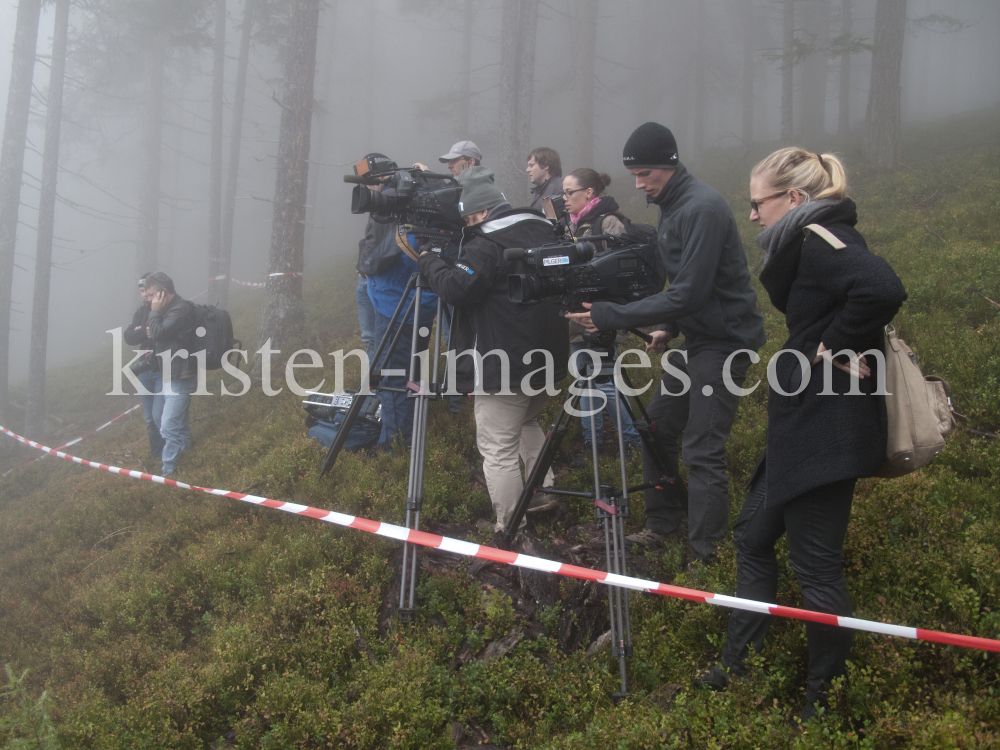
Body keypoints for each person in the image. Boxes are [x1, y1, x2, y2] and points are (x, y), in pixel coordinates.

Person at [694, 147, 907, 723]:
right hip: (802, 423)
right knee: (752, 538)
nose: (753, 215)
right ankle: (741, 665)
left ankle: (824, 703)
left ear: (794, 199)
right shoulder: (808, 240)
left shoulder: (821, 239)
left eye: (758, 203)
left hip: (826, 430)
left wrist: (833, 346)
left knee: (816, 566)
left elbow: (882, 288)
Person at [567, 122, 767, 565]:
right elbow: (688, 285)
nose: (639, 184)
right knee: (655, 429)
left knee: (703, 447)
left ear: (670, 165)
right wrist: (671, 325)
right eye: (634, 175)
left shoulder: (702, 209)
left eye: (645, 174)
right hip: (698, 338)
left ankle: (706, 555)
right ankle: (663, 523)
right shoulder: (672, 204)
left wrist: (608, 315)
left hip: (726, 341)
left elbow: (692, 289)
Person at [416, 166, 568, 531]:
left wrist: (428, 260)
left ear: (481, 212)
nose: (467, 225)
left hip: (506, 365)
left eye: (469, 218)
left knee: (497, 448)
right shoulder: (543, 228)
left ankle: (511, 527)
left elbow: (456, 288)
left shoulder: (486, 243)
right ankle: (545, 492)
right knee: (527, 421)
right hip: (548, 360)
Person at [562, 168, 642, 461]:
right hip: (576, 316)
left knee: (603, 383)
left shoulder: (609, 222)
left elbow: (622, 270)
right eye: (563, 193)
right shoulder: (571, 225)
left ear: (590, 193)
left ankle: (635, 442)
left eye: (569, 192)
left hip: (601, 317)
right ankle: (591, 444)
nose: (564, 198)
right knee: (584, 383)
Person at [145, 272, 197, 477]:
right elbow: (161, 335)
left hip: (181, 376)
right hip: (170, 374)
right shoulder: (170, 311)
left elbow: (159, 333)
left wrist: (155, 316)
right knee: (178, 424)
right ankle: (188, 460)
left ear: (163, 292)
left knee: (168, 427)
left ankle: (168, 471)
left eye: (151, 295)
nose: (148, 299)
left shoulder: (181, 309)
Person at [355, 153, 397, 366]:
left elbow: (383, 245)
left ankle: (380, 387)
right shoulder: (380, 201)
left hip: (379, 282)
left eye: (370, 180)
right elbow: (370, 240)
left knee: (377, 338)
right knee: (370, 337)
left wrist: (365, 266)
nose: (367, 187)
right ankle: (375, 384)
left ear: (382, 176)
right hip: (369, 279)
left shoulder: (391, 201)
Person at [123, 273, 164, 461]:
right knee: (149, 418)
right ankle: (157, 455)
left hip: (163, 369)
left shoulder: (164, 308)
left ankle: (171, 450)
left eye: (146, 291)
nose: (144, 296)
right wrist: (145, 333)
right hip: (144, 370)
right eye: (141, 291)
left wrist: (146, 331)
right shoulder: (140, 312)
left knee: (158, 416)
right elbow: (128, 336)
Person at [413, 140, 483, 177]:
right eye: (448, 161)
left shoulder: (480, 189)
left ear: (471, 162)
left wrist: (428, 175)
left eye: (454, 161)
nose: (448, 166)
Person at [527, 147, 563, 212]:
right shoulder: (544, 190)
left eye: (531, 165)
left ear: (546, 165)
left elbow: (558, 220)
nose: (527, 170)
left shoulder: (559, 187)